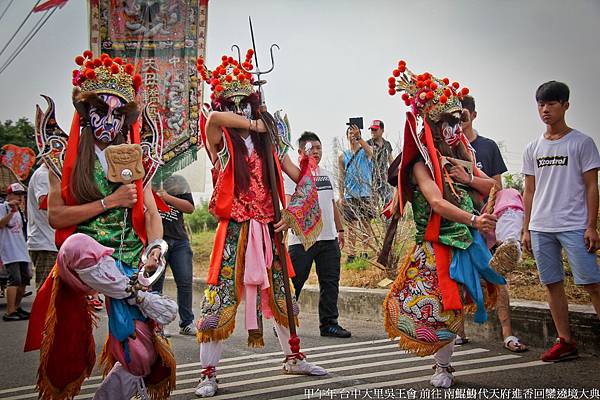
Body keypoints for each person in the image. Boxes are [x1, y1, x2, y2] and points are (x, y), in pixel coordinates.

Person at [25, 50, 176, 400]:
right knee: (78, 246)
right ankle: (134, 293)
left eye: (117, 113)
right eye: (101, 111)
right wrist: (109, 202)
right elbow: (56, 217)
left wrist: (154, 250)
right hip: (82, 263)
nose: (109, 120)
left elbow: (152, 215)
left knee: (141, 356)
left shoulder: (134, 158)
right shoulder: (63, 158)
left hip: (125, 263)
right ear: (86, 113)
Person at [194, 52, 327, 397]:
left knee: (283, 295)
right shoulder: (222, 139)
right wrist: (254, 124)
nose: (240, 109)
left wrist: (294, 210)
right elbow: (212, 119)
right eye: (232, 104)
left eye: (246, 103)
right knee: (220, 298)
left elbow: (298, 177)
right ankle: (208, 373)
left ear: (254, 102)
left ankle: (293, 357)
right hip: (236, 228)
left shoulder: (271, 138)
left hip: (269, 227)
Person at [383, 60, 505, 388]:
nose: (454, 130)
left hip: (467, 239)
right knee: (442, 304)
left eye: (457, 122)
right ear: (434, 126)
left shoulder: (459, 157)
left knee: (459, 302)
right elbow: (436, 202)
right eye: (447, 123)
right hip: (436, 243)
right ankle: (443, 367)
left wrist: (468, 176)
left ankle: (506, 253)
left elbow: (496, 187)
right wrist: (474, 218)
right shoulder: (420, 164)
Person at [521, 80, 600, 362]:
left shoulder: (582, 143)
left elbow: (592, 186)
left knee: (591, 283)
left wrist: (592, 225)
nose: (545, 110)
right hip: (541, 227)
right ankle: (565, 341)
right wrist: (526, 228)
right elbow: (528, 190)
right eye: (541, 104)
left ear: (565, 105)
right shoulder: (533, 147)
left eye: (552, 104)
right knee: (552, 284)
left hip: (575, 225)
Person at [453, 95, 527, 352]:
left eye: (462, 115)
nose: (458, 121)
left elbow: (497, 187)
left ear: (473, 115)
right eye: (453, 117)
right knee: (457, 277)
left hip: (487, 219)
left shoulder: (486, 147)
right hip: (458, 223)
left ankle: (508, 334)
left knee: (498, 276)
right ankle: (457, 333)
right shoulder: (446, 150)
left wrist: (469, 178)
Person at [284, 131, 350, 338]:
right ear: (302, 151)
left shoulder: (327, 174)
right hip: (302, 240)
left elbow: (332, 204)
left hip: (328, 239)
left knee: (330, 283)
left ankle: (329, 324)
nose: (316, 152)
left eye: (319, 148)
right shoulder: (292, 175)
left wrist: (340, 230)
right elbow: (288, 204)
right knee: (294, 282)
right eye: (312, 148)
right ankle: (284, 321)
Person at [153, 174, 197, 336]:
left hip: (179, 240)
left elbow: (190, 208)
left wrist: (167, 197)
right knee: (156, 284)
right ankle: (158, 323)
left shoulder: (178, 181)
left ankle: (186, 322)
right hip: (157, 241)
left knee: (185, 281)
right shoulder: (148, 180)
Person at [338, 124, 375, 262]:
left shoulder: (364, 150)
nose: (352, 136)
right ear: (347, 136)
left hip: (365, 193)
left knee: (366, 223)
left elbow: (371, 152)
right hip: (350, 195)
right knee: (351, 226)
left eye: (356, 133)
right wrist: (341, 196)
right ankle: (352, 253)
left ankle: (366, 251)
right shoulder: (343, 156)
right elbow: (341, 177)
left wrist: (359, 138)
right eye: (350, 133)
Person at [0, 182, 31, 321]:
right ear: (9, 195)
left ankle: (17, 307)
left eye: (21, 195)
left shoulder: (20, 210)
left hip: (21, 249)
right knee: (14, 279)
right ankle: (10, 311)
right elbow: (1, 224)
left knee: (25, 279)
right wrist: (11, 211)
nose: (19, 198)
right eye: (16, 194)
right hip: (9, 250)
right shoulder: (3, 207)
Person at [27, 162, 58, 290]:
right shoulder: (43, 175)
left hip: (50, 241)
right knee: (47, 292)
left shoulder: (50, 174)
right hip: (46, 243)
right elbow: (44, 202)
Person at [367, 119, 394, 208]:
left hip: (385, 180)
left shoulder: (387, 144)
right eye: (371, 129)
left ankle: (388, 222)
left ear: (382, 130)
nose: (373, 132)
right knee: (372, 207)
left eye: (375, 129)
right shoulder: (368, 144)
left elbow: (391, 160)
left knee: (389, 204)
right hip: (371, 181)